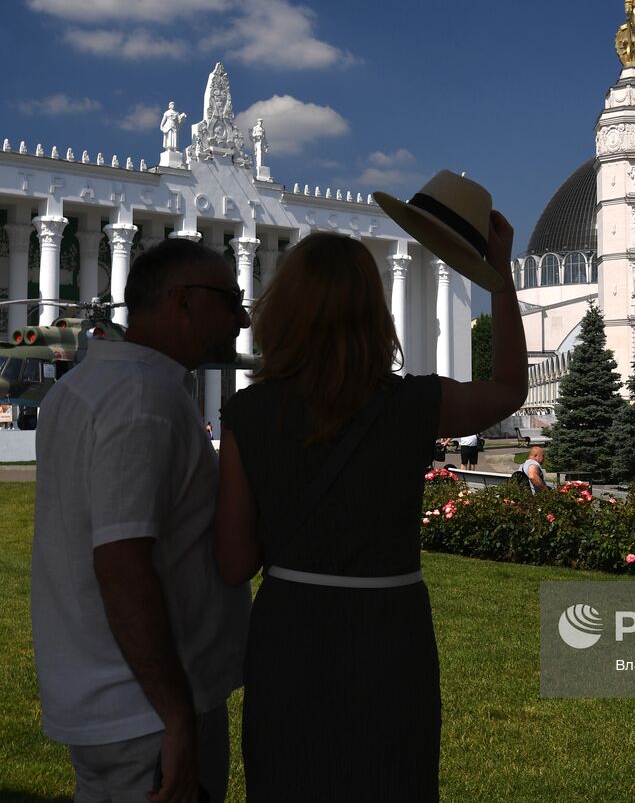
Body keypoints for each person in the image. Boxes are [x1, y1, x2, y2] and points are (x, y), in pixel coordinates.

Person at [215, 171, 526, 801]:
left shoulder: (250, 413)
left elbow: (232, 561)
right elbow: (509, 389)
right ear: (372, 310)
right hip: (389, 630)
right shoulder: (413, 404)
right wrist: (500, 275)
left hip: (289, 635)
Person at [30, 239, 253, 803]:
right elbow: (122, 563)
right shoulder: (143, 397)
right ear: (181, 301)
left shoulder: (81, 388)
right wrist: (176, 715)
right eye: (231, 300)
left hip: (109, 699)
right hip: (148, 713)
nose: (242, 318)